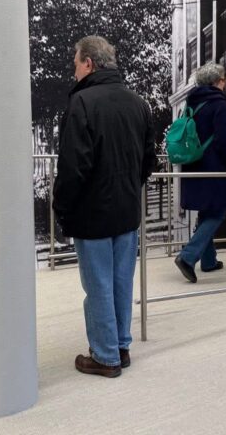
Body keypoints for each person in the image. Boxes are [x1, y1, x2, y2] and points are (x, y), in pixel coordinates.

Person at [54, 35, 156, 378]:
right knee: (121, 282)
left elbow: (73, 167)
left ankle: (105, 356)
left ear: (89, 63)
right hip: (126, 213)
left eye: (75, 64)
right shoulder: (139, 103)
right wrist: (128, 188)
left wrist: (62, 209)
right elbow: (148, 160)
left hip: (91, 215)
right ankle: (121, 346)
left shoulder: (81, 103)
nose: (74, 71)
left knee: (98, 284)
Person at [174, 62, 226, 283]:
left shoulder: (192, 101)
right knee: (218, 212)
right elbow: (223, 140)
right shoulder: (219, 103)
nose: (225, 82)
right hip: (214, 166)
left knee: (206, 211)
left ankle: (209, 261)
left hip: (194, 164)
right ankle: (188, 256)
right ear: (217, 81)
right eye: (223, 79)